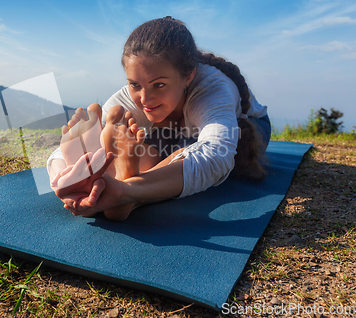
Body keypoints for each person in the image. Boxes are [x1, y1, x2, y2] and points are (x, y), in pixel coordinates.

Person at [47, 16, 271, 221]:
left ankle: (128, 194)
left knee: (188, 146)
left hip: (246, 128)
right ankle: (119, 180)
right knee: (141, 141)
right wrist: (64, 182)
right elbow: (65, 148)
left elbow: (217, 154)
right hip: (171, 129)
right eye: (135, 84)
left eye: (159, 85)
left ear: (189, 76)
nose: (145, 98)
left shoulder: (213, 89)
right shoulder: (129, 98)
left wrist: (128, 191)